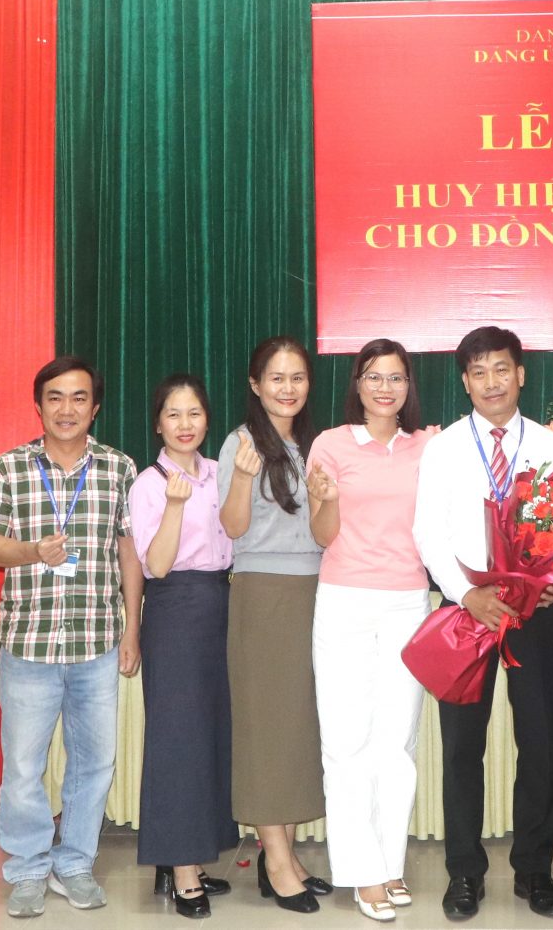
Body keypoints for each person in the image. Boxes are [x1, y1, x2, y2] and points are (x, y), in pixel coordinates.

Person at [0, 355, 143, 920]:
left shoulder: (119, 468)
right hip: (29, 643)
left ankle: (75, 863)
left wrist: (132, 629)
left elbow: (129, 553)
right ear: (39, 406)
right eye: (55, 397)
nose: (67, 409)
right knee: (23, 765)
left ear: (96, 407)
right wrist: (32, 552)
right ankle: (26, 869)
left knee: (94, 762)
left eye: (79, 398)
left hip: (97, 641)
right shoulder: (9, 467)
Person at [412, 325, 553, 921]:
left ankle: (534, 870)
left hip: (532, 614)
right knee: (462, 748)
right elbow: (427, 532)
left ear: (520, 374)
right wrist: (466, 595)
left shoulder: (549, 446)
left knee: (538, 743)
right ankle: (464, 873)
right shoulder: (445, 448)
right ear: (465, 382)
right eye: (478, 372)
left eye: (501, 369)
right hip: (466, 613)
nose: (491, 382)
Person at [307, 339, 437, 923]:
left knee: (398, 741)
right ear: (357, 384)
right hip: (345, 600)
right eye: (374, 377)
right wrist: (329, 500)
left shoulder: (427, 447)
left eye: (396, 378)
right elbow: (322, 534)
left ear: (409, 386)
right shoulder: (331, 444)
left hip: (408, 601)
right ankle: (362, 872)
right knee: (346, 741)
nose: (386, 388)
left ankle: (389, 863)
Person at [217, 336, 331, 914]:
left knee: (296, 728)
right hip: (262, 594)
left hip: (316, 592)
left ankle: (281, 856)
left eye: (298, 377)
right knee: (265, 729)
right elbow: (233, 529)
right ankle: (279, 862)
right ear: (256, 385)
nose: (288, 388)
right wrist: (241, 477)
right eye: (276, 378)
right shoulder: (240, 443)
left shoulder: (316, 445)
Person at [130, 374, 237, 919]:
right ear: (158, 424)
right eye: (173, 414)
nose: (185, 423)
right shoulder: (149, 484)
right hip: (174, 608)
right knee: (178, 737)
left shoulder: (222, 473)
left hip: (222, 603)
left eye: (194, 412)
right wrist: (175, 505)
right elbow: (156, 564)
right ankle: (182, 869)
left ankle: (192, 853)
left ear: (207, 419)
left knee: (213, 733)